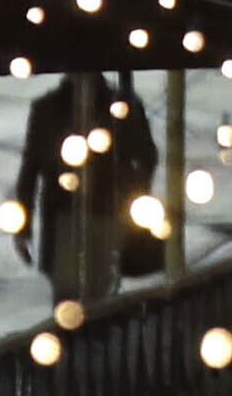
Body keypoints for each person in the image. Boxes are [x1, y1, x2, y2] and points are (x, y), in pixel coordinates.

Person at [18, 72, 165, 307]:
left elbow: (30, 170)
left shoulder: (49, 110)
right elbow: (146, 157)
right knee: (87, 297)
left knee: (87, 297)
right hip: (76, 217)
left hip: (94, 215)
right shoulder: (118, 106)